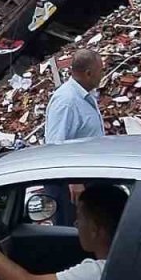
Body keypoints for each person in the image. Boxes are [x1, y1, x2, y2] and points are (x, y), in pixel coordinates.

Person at [0, 184, 128, 280]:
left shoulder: (99, 272)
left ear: (97, 230)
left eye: (80, 218)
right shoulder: (125, 262)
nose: (75, 223)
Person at [42, 49, 105, 225]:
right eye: (101, 70)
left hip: (85, 180)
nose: (103, 74)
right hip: (69, 187)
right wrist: (74, 180)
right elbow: (55, 146)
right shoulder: (67, 101)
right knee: (71, 236)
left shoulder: (85, 94)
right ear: (88, 73)